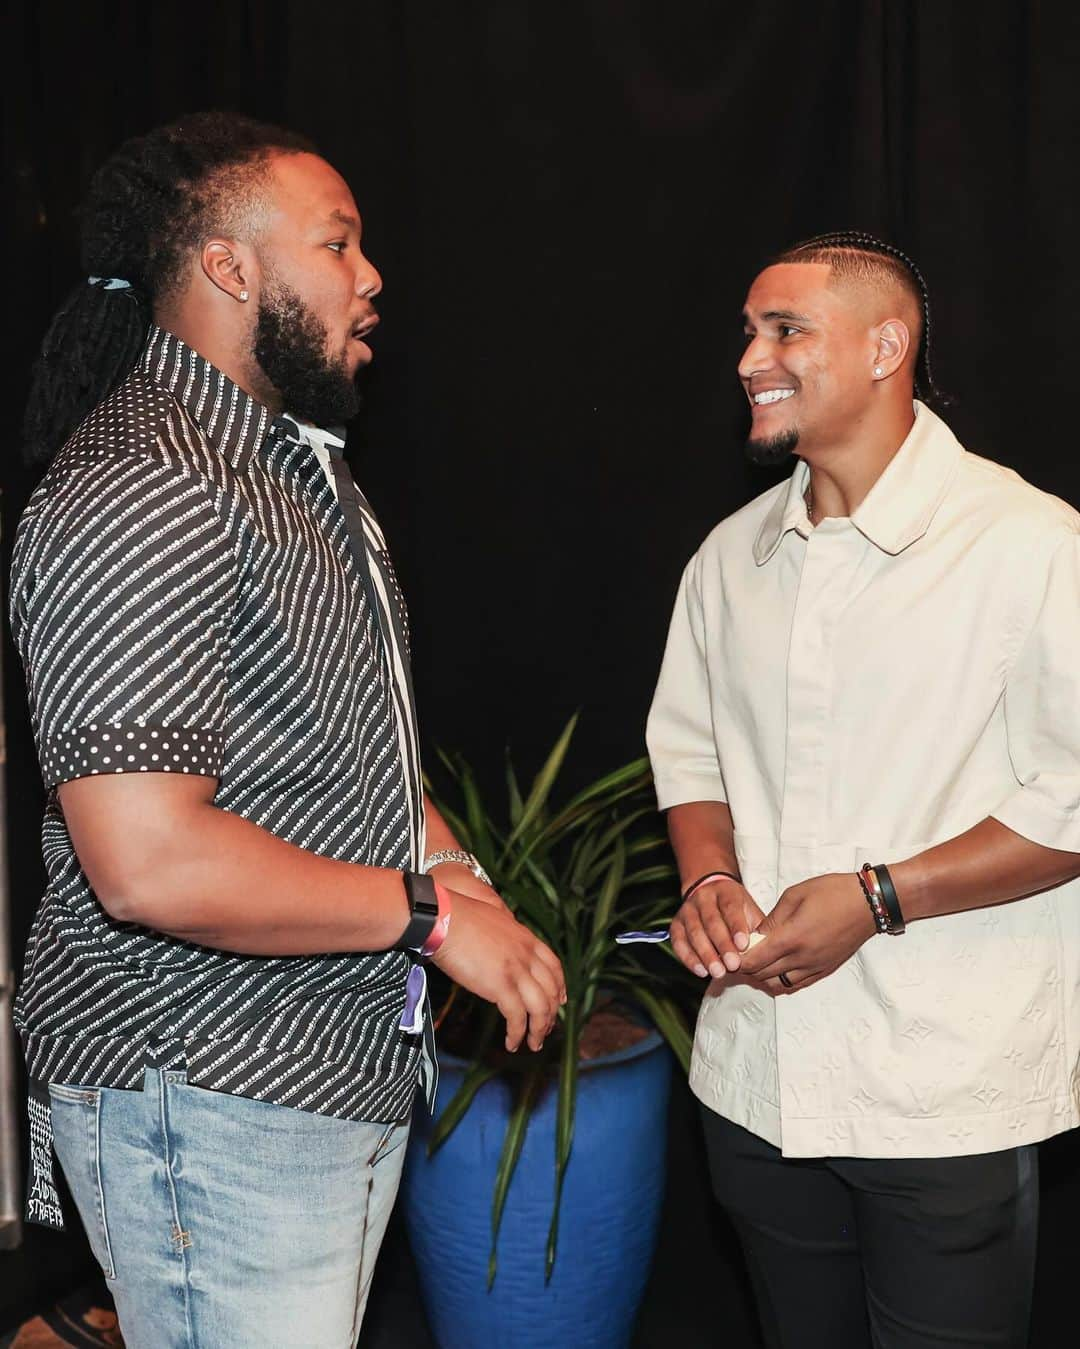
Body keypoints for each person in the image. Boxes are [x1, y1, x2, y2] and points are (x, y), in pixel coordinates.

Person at [11, 111, 565, 1349]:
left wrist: (463, 878)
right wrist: (427, 916)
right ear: (229, 267)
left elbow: (352, 747)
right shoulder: (151, 482)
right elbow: (148, 859)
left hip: (300, 1080)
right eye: (337, 244)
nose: (371, 278)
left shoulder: (291, 469)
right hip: (207, 1091)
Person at [646, 231, 1080, 1348]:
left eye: (784, 328)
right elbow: (689, 752)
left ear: (888, 345)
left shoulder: (1028, 544)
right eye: (747, 331)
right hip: (754, 1080)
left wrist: (879, 895)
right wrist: (708, 875)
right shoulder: (729, 556)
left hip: (943, 1088)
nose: (750, 357)